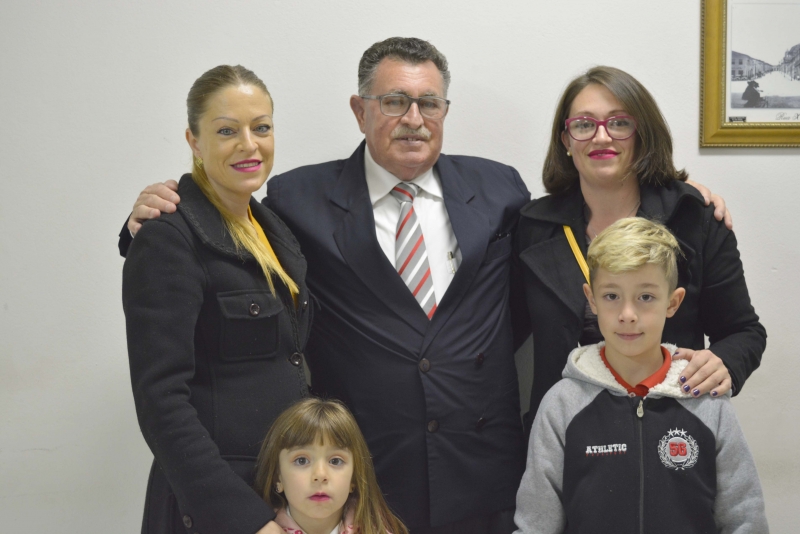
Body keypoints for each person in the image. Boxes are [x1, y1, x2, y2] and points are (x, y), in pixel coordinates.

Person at [118, 44, 730, 533]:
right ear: (359, 111)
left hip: (484, 477)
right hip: (361, 482)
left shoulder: (500, 190)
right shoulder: (297, 198)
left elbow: (574, 227)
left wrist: (679, 195)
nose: (413, 119)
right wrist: (146, 221)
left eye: (429, 103)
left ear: (444, 111)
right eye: (393, 101)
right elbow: (223, 233)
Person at [515, 66, 766, 429]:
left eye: (619, 123)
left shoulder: (693, 218)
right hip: (566, 434)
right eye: (584, 125)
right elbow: (498, 335)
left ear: (642, 134)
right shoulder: (533, 228)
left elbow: (744, 332)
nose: (601, 137)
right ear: (566, 141)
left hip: (671, 432)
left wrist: (723, 362)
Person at [122, 65, 313, 534]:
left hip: (281, 492)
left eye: (261, 127)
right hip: (216, 510)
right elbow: (161, 403)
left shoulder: (274, 229)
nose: (249, 145)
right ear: (193, 141)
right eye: (227, 131)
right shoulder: (168, 237)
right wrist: (244, 520)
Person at [513, 217, 768, 533]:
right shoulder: (561, 406)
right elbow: (535, 525)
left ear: (672, 303)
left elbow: (744, 519)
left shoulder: (707, 402)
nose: (627, 315)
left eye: (645, 297)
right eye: (611, 296)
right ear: (591, 299)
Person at [255, 398, 408, 534]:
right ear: (277, 478)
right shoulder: (257, 528)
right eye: (301, 460)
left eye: (335, 461)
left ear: (354, 478)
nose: (320, 475)